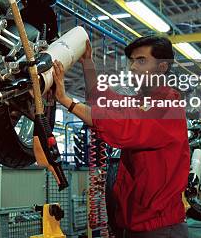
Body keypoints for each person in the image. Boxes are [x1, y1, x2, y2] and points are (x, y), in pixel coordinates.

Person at [52, 35, 189, 237]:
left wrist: (66, 101)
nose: (133, 67)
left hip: (160, 229)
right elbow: (103, 100)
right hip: (135, 224)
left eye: (141, 60)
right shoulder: (142, 103)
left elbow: (121, 127)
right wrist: (88, 63)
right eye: (132, 61)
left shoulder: (167, 106)